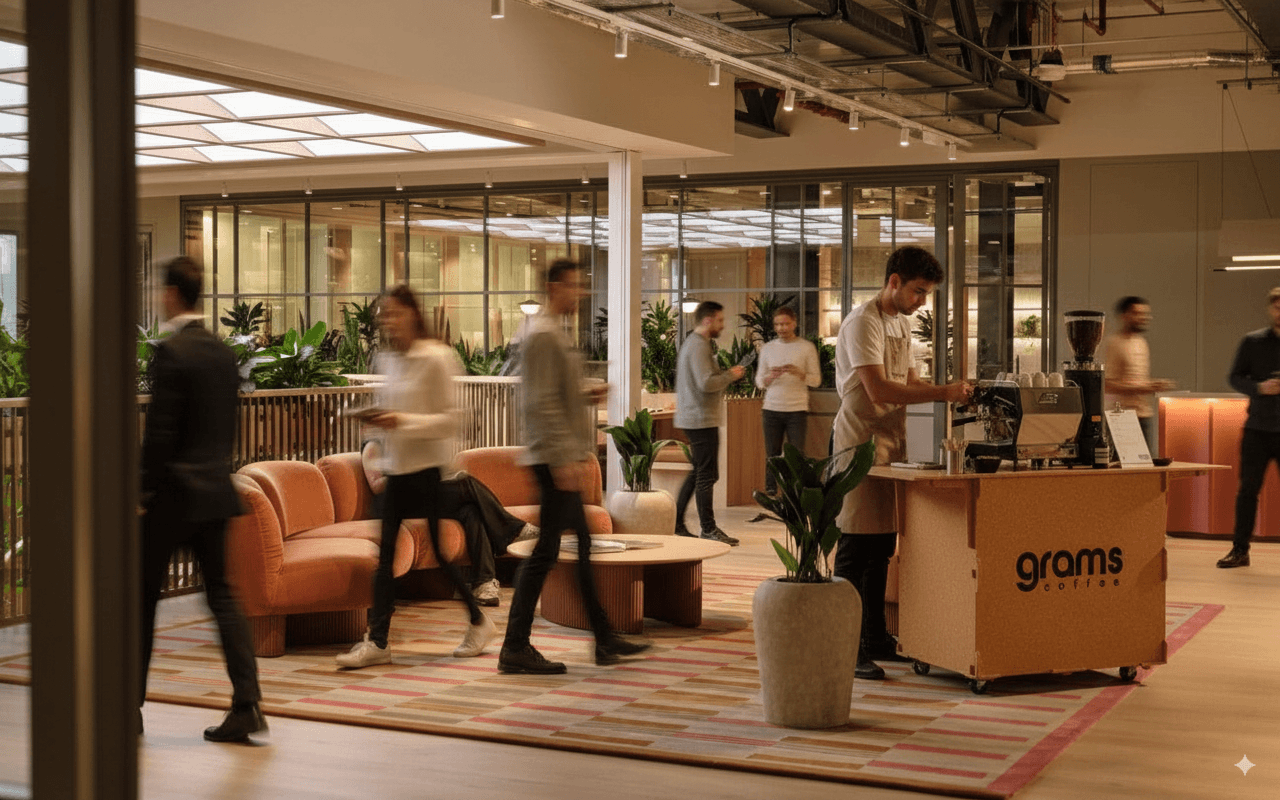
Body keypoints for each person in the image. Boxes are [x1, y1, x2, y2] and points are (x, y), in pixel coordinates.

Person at [498, 259, 650, 674]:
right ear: (552, 287)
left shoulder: (554, 333)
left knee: (578, 548)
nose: (579, 293)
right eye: (572, 286)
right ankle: (515, 647)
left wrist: (585, 392)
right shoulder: (544, 335)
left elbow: (554, 393)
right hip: (551, 459)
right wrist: (561, 459)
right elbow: (539, 402)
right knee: (547, 553)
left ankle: (602, 639)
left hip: (555, 456)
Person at [140, 256, 266, 743]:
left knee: (141, 601)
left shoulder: (172, 352)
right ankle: (248, 705)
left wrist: (142, 492)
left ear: (172, 293)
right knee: (224, 599)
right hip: (215, 493)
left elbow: (161, 433)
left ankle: (128, 708)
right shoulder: (220, 351)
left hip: (171, 499)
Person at [336, 286, 496, 668]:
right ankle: (378, 641)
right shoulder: (389, 359)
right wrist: (377, 417)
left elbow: (452, 419)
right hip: (396, 469)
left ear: (412, 313)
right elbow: (395, 409)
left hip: (428, 471)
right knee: (385, 557)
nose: (389, 321)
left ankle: (478, 620)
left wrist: (402, 421)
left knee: (441, 555)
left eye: (395, 313)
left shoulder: (437, 357)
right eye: (384, 315)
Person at [833, 246, 971, 680]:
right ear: (894, 281)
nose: (922, 302)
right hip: (858, 443)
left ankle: (875, 637)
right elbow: (878, 391)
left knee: (882, 547)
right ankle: (847, 647)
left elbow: (909, 382)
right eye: (918, 291)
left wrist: (952, 391)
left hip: (891, 444)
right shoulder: (862, 322)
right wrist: (943, 392)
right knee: (855, 548)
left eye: (926, 293)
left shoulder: (902, 324)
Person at [360, 438, 538, 606]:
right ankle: (514, 531)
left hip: (419, 497)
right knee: (466, 483)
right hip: (399, 504)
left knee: (471, 511)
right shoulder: (374, 446)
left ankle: (482, 583)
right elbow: (377, 485)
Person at [674, 301, 746, 544]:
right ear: (707, 320)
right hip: (700, 419)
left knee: (699, 473)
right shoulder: (698, 346)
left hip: (696, 417)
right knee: (706, 474)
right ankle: (708, 529)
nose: (722, 326)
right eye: (720, 320)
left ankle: (677, 524)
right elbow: (706, 383)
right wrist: (731, 375)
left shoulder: (696, 344)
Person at [1219, 287, 1280, 569]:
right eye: (1277, 306)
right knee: (1247, 491)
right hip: (1257, 429)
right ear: (1270, 309)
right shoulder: (1252, 342)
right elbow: (1234, 377)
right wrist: (1259, 387)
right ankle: (1240, 550)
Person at [755, 306, 821, 495]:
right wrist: (771, 377)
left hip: (797, 410)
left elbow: (816, 381)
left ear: (794, 323)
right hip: (771, 409)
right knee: (772, 454)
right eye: (777, 324)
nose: (781, 328)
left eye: (785, 323)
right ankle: (771, 490)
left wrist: (801, 374)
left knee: (797, 454)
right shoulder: (768, 348)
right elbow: (760, 382)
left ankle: (796, 490)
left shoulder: (806, 348)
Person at [1103, 296, 1175, 457]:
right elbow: (1108, 385)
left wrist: (1152, 384)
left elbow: (1134, 379)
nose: (1144, 318)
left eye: (1146, 314)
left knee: (1143, 469)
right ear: (1124, 316)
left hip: (1143, 414)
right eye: (1137, 313)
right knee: (1128, 472)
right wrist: (1146, 388)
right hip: (1122, 417)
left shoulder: (1141, 342)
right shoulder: (1114, 343)